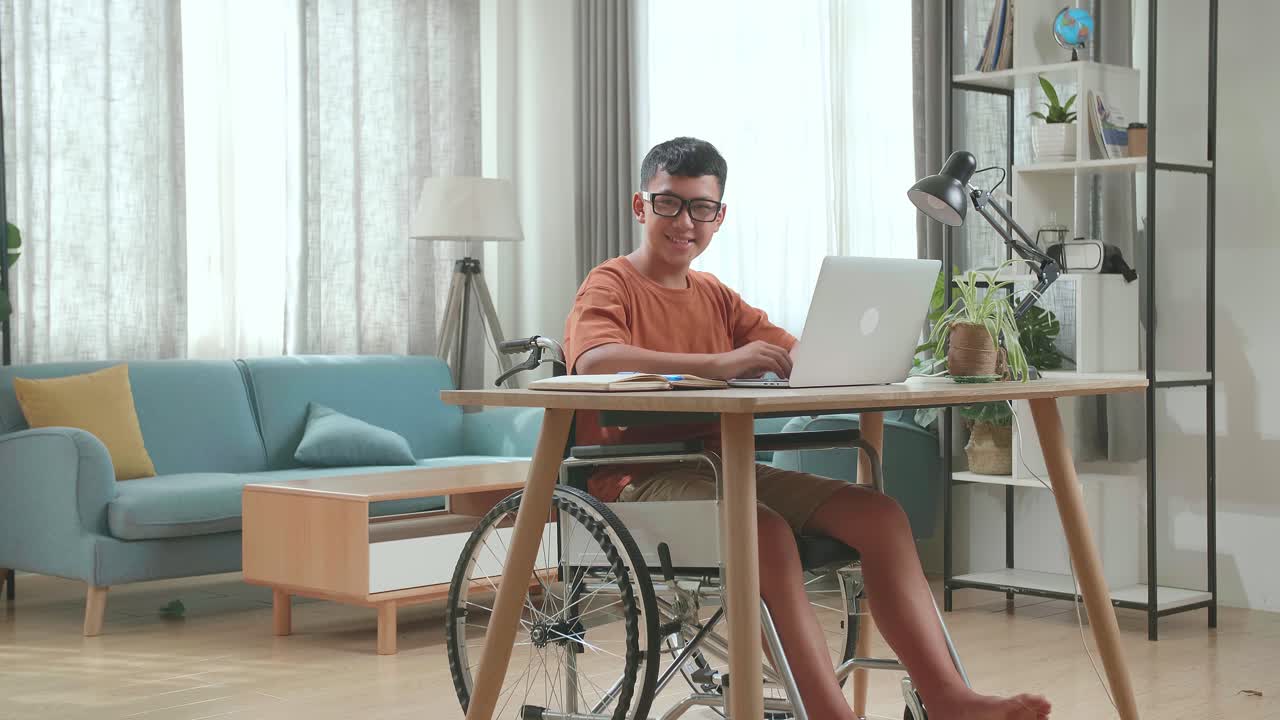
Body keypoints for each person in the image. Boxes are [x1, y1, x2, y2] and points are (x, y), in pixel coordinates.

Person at [562, 136, 1052, 720]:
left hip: (722, 467)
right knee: (762, 531)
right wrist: (719, 365)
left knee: (880, 514)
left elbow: (795, 353)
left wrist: (857, 361)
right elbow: (593, 361)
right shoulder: (610, 283)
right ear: (641, 207)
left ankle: (950, 700)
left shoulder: (716, 296)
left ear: (720, 217)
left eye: (701, 208)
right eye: (669, 204)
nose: (684, 222)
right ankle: (830, 714)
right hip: (633, 482)